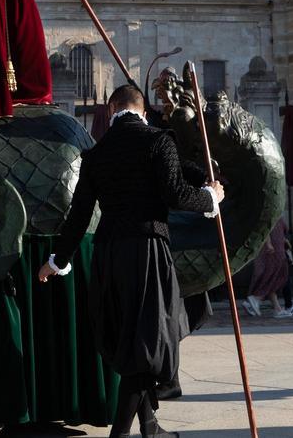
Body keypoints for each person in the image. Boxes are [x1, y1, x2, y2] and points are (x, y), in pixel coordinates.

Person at [37, 85, 224, 438]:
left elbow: (78, 217)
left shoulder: (97, 153)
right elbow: (175, 193)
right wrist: (210, 196)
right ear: (143, 109)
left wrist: (56, 261)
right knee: (147, 346)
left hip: (108, 255)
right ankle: (120, 435)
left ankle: (150, 427)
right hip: (147, 252)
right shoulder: (157, 141)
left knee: (135, 341)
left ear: (111, 110)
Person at [243, 219, 292, 318]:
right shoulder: (272, 209)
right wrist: (268, 243)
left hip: (276, 245)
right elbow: (265, 227)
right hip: (274, 248)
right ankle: (257, 297)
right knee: (279, 274)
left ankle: (277, 308)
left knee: (271, 276)